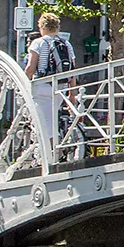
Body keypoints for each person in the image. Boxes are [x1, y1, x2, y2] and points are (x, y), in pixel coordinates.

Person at [22, 13, 77, 153]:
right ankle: (55, 150)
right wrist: (72, 94)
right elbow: (72, 70)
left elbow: (30, 67)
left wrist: (23, 83)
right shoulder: (66, 44)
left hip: (42, 86)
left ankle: (54, 153)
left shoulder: (38, 43)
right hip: (60, 88)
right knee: (51, 120)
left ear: (42, 27)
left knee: (45, 123)